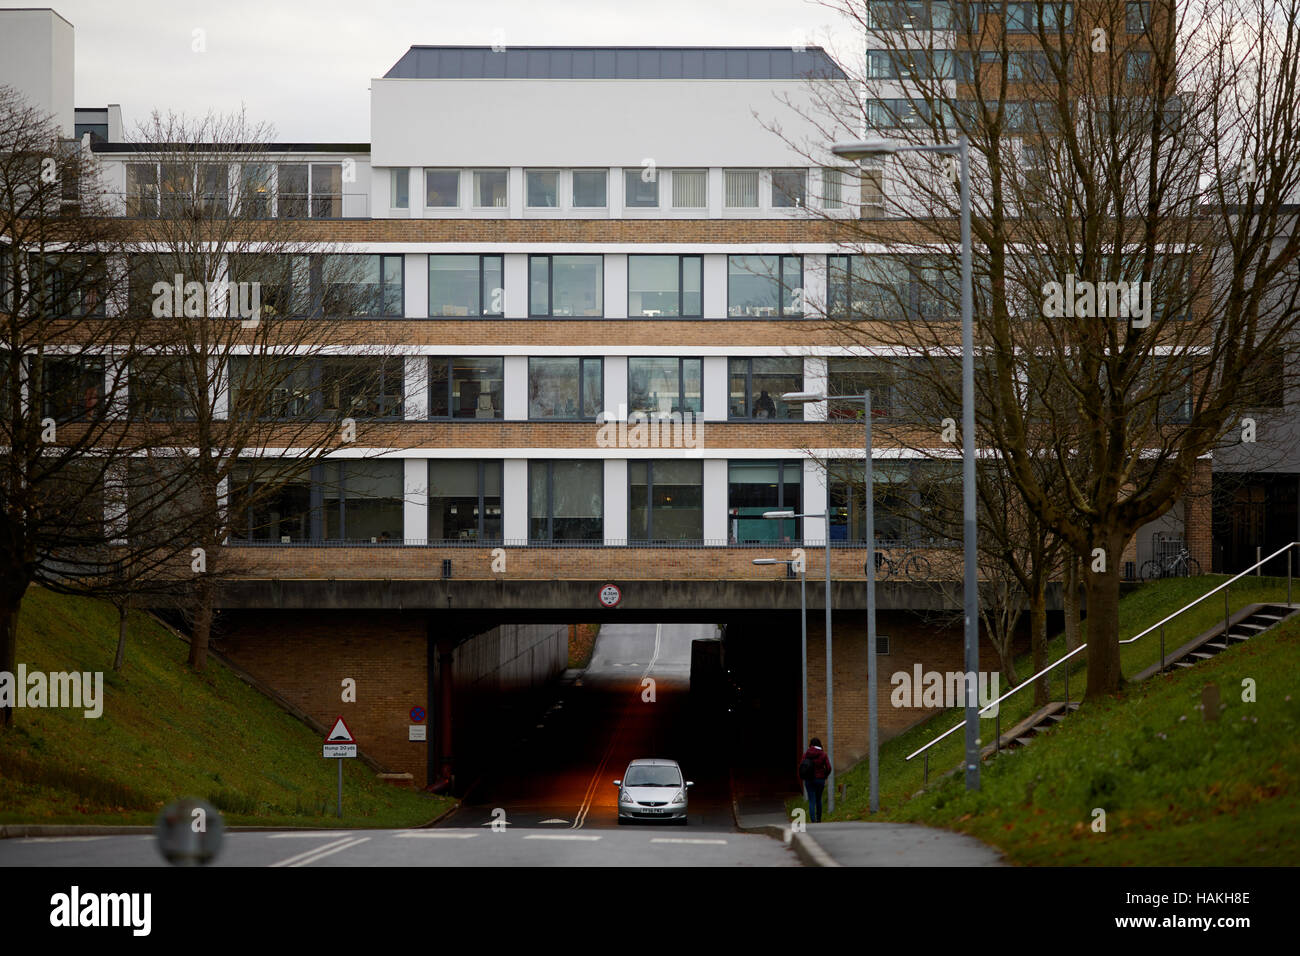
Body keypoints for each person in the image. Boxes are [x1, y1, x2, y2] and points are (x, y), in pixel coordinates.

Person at [798, 737, 832, 823]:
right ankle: (819, 819)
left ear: (811, 744)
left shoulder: (806, 754)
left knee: (811, 800)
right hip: (820, 780)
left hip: (809, 780)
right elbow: (828, 767)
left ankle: (813, 820)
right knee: (818, 799)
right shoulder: (823, 754)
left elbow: (801, 766)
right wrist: (825, 776)